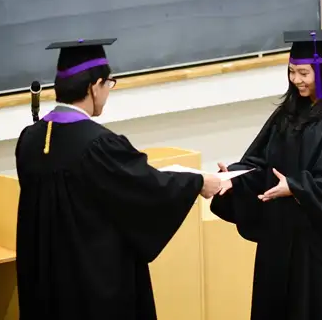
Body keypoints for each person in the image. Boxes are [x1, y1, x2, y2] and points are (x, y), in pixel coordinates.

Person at [15, 38, 222, 319]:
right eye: (108, 84)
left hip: (46, 286)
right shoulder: (98, 144)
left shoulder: (30, 140)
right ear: (94, 87)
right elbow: (144, 190)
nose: (107, 93)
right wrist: (197, 182)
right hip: (90, 288)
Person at [210, 29, 322, 320]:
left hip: (317, 241)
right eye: (291, 71)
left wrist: (297, 187)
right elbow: (261, 161)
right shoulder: (288, 113)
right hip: (280, 230)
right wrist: (235, 177)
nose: (296, 80)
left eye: (303, 73)